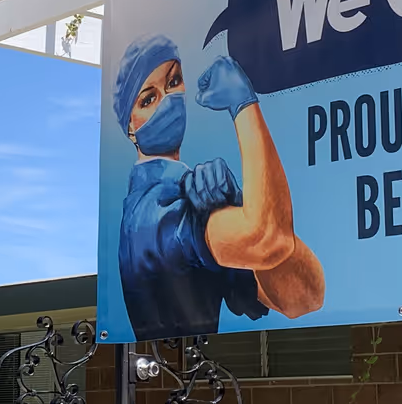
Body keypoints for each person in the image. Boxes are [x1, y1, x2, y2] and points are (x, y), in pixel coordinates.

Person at [113, 33, 325, 340]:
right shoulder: (152, 211)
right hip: (178, 380)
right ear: (130, 127)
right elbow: (269, 239)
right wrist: (243, 105)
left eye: (173, 82)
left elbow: (303, 298)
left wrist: (239, 204)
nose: (169, 100)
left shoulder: (188, 196)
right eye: (148, 99)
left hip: (204, 380)